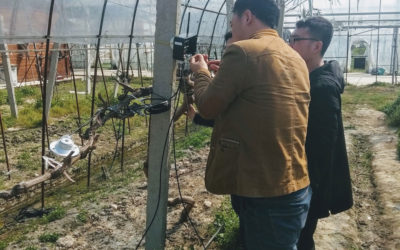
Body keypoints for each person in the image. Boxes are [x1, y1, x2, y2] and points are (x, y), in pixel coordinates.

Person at [189, 0, 312, 248]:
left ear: (247, 17)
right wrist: (227, 74)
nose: (232, 30)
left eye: (232, 23)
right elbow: (262, 94)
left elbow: (207, 107)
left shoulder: (243, 51)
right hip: (293, 181)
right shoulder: (294, 56)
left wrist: (201, 72)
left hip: (265, 191)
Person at [289, 16, 353, 250]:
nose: (290, 44)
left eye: (296, 39)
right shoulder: (309, 78)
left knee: (302, 238)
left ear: (316, 46)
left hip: (307, 184)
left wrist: (306, 192)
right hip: (302, 181)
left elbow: (322, 147)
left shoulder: (322, 87)